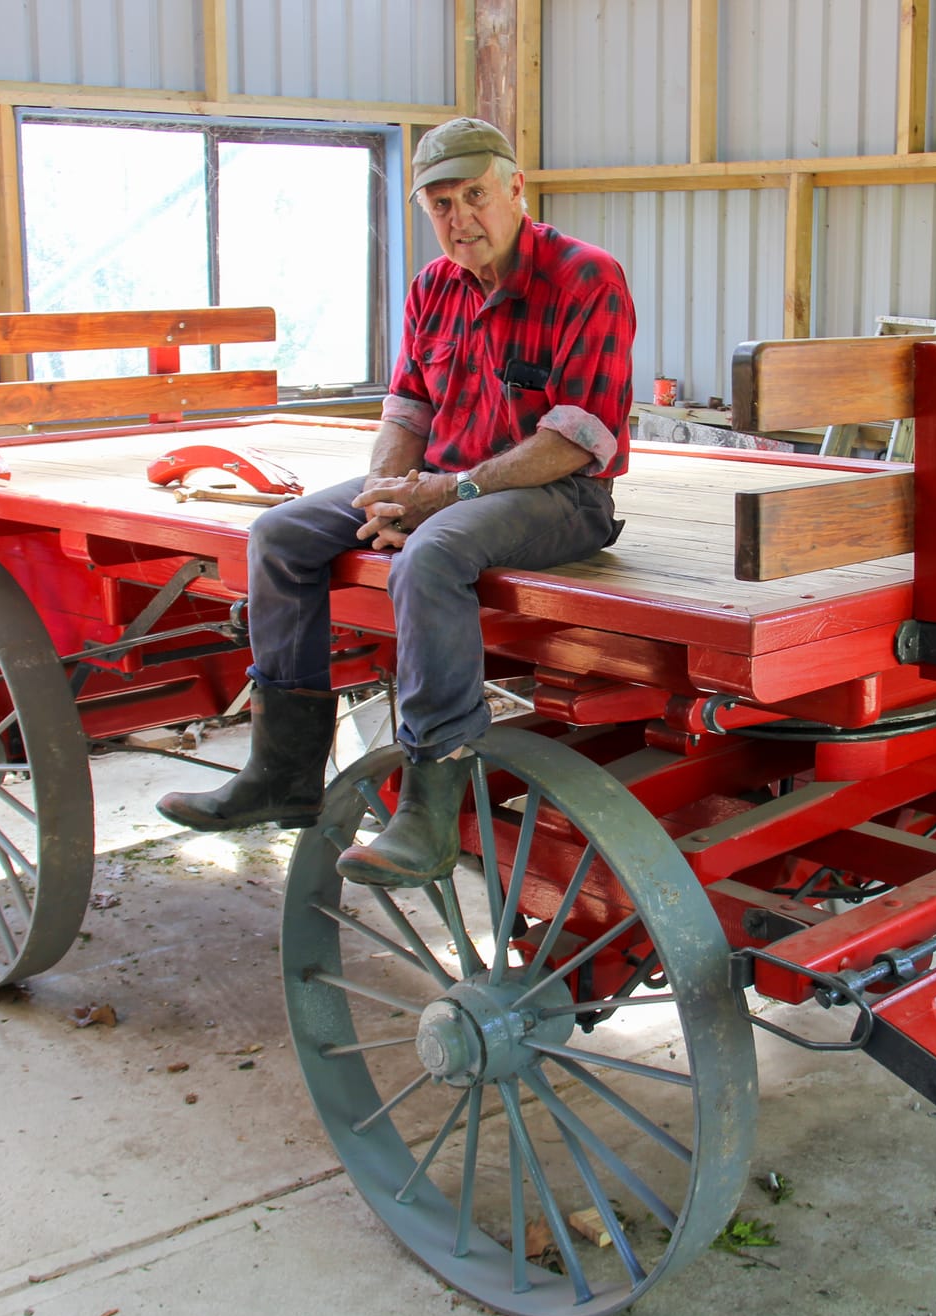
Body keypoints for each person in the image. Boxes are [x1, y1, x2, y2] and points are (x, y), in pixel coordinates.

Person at [157, 116, 637, 889]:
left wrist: (444, 494)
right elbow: (408, 407)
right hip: (445, 482)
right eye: (440, 204)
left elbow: (580, 436)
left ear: (516, 187)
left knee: (435, 551)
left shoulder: (586, 277)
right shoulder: (432, 287)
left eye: (474, 195)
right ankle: (281, 773)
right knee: (278, 534)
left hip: (562, 495)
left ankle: (429, 804)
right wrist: (386, 492)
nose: (459, 219)